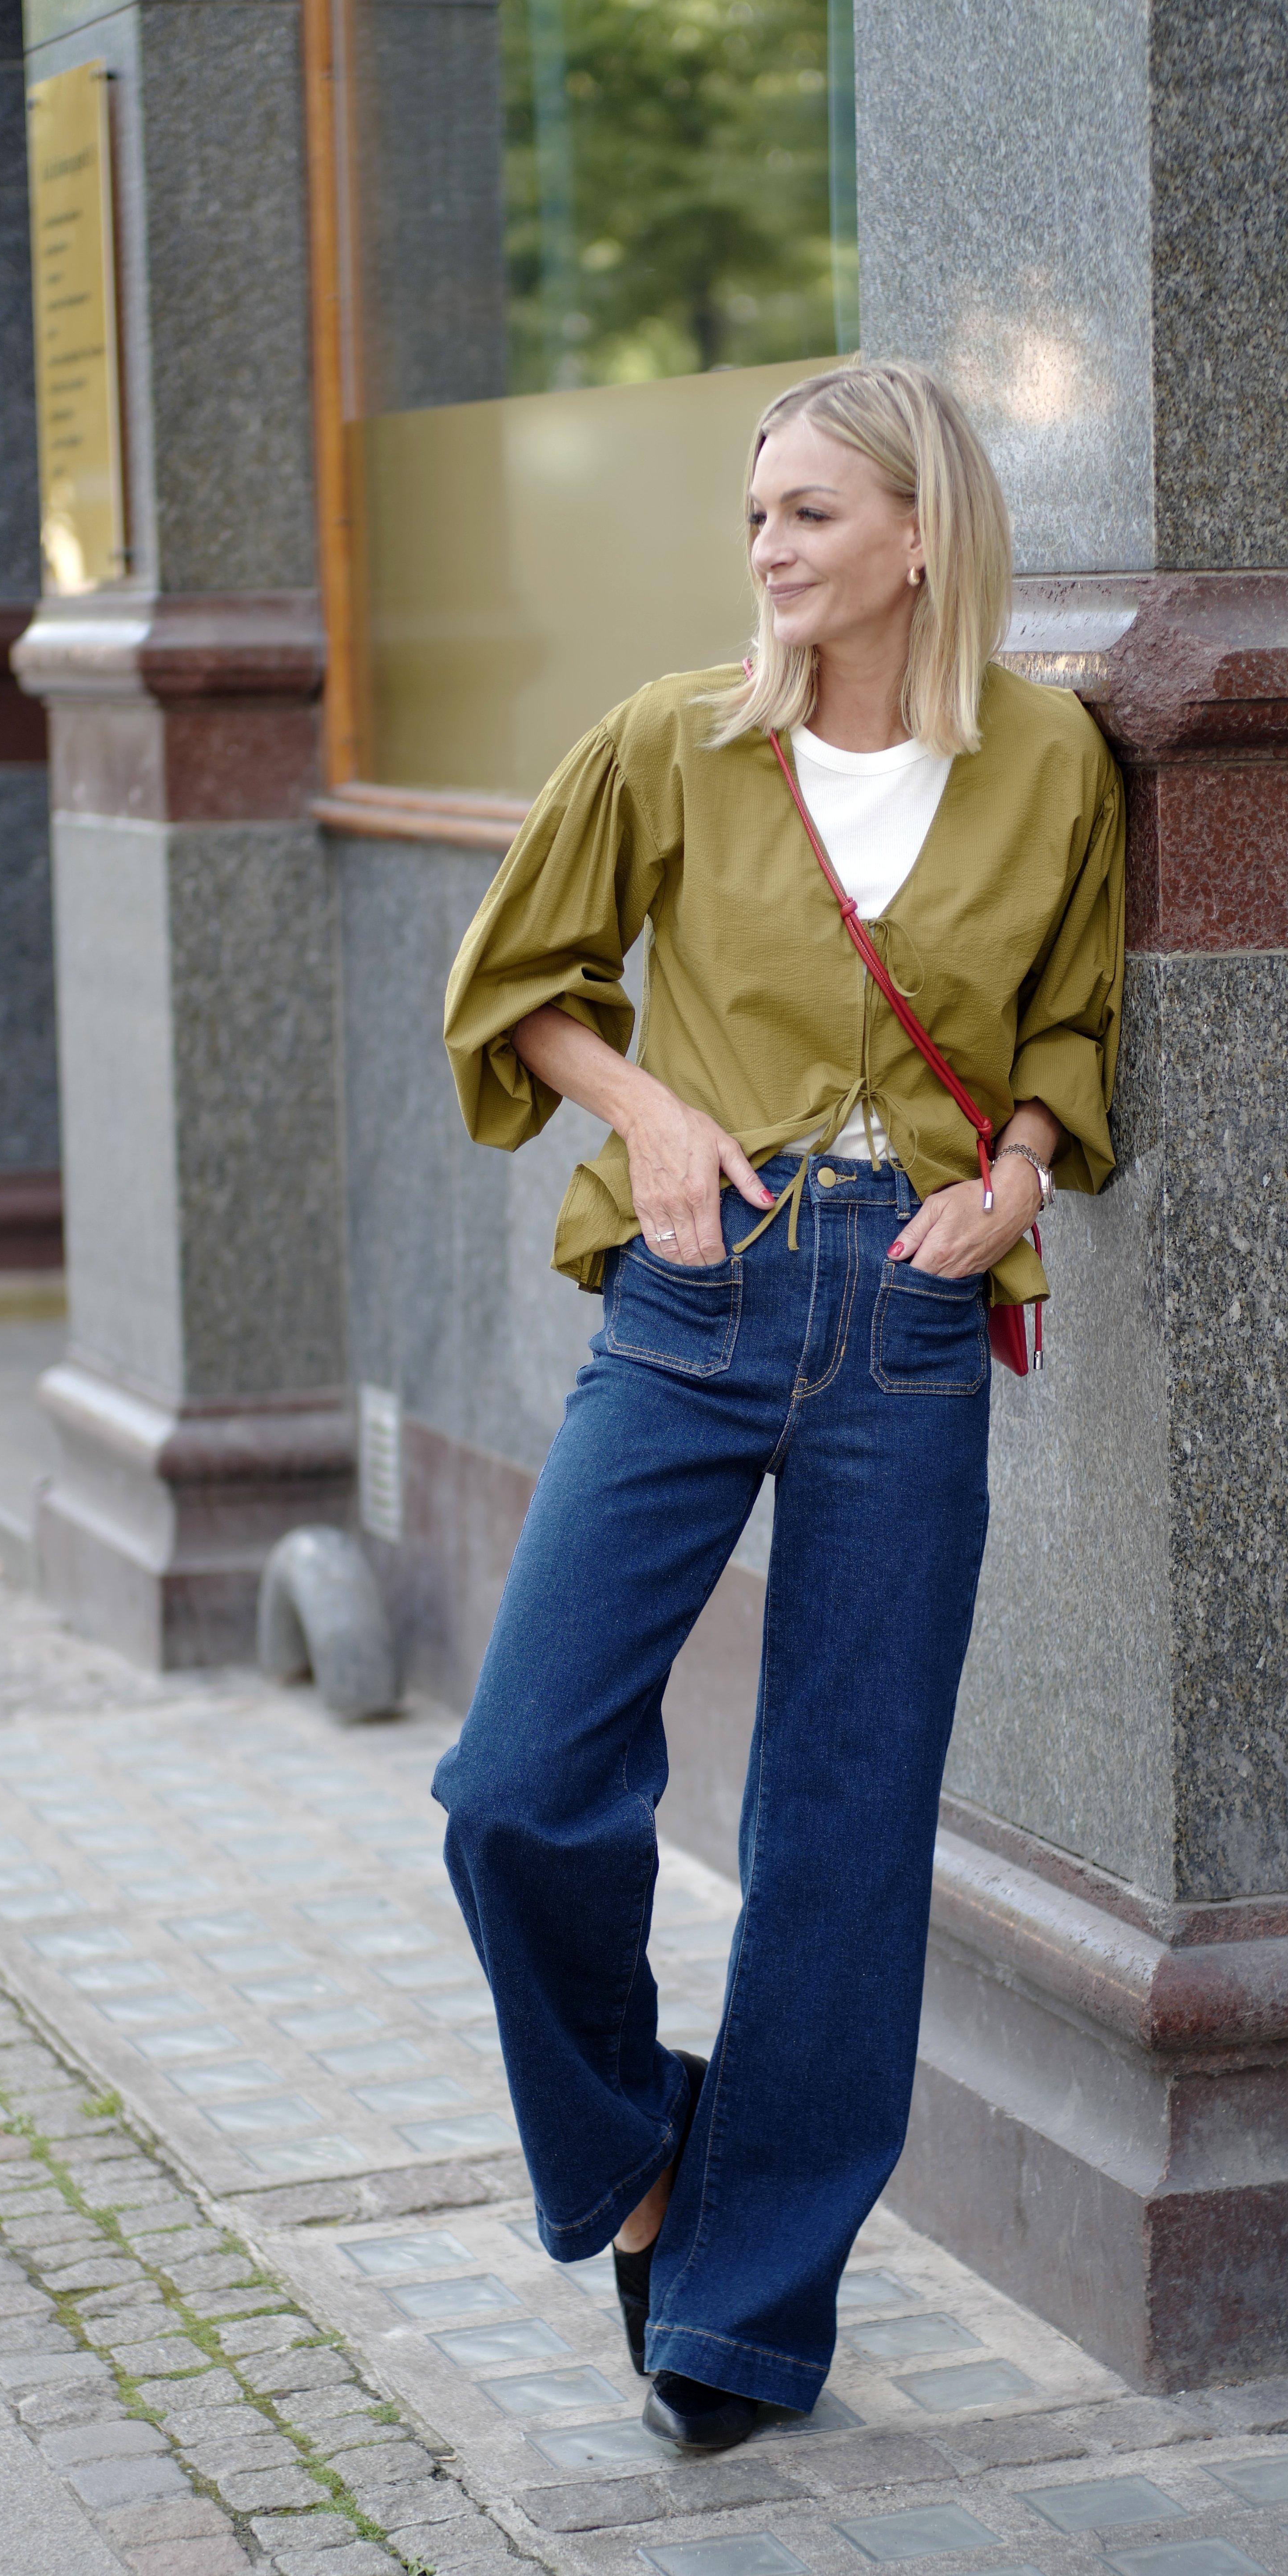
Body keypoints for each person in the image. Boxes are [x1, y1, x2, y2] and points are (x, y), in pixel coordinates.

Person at [433, 361, 1124, 2453]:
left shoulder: (1049, 761)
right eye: (757, 516)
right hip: (696, 1291)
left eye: (810, 512)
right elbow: (516, 985)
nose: (768, 548)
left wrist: (1013, 1181)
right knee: (513, 1781)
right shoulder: (675, 740)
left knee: (844, 1830)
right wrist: (645, 1110)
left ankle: (745, 2316)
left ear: (921, 533)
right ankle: (643, 2156)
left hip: (910, 1317)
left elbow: (1068, 1032)